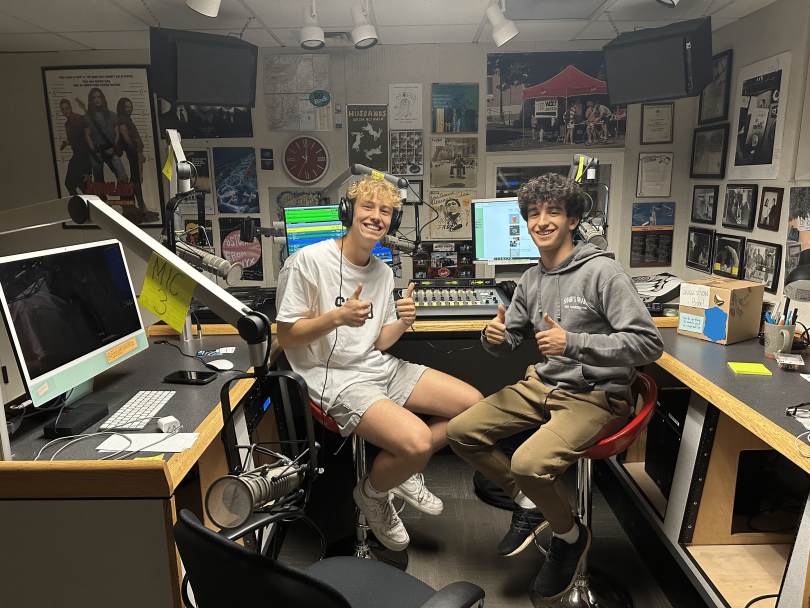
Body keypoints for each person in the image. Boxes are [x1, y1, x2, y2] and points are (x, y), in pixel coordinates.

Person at [446, 173, 664, 603]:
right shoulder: (531, 278)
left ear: (572, 220)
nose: (541, 221)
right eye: (533, 214)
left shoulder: (603, 271)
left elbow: (649, 344)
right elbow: (509, 341)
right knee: (460, 431)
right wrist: (494, 340)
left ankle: (568, 537)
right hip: (543, 383)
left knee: (528, 462)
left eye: (552, 213)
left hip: (596, 394)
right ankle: (529, 505)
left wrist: (574, 343)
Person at [276, 176, 483, 552]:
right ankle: (373, 493)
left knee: (473, 407)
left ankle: (396, 475)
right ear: (348, 211)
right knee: (418, 444)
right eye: (367, 206)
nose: (375, 216)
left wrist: (403, 321)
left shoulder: (383, 270)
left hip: (376, 365)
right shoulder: (308, 261)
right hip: (333, 378)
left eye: (385, 211)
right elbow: (286, 336)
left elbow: (379, 341)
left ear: (393, 221)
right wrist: (337, 317)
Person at [82, 87, 128, 184]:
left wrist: (113, 148)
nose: (97, 99)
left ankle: (124, 198)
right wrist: (94, 152)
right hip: (97, 150)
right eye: (94, 97)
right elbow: (87, 136)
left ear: (102, 98)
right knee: (99, 183)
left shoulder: (112, 115)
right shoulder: (87, 117)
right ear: (91, 100)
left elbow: (117, 133)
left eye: (99, 97)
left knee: (123, 178)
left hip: (111, 149)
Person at [116, 98, 147, 212]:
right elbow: (126, 137)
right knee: (136, 180)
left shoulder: (126, 119)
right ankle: (139, 207)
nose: (129, 109)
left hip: (135, 154)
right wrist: (136, 151)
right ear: (122, 108)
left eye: (130, 107)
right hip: (133, 154)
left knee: (137, 179)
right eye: (127, 107)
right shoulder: (123, 121)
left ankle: (139, 206)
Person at [58, 98, 91, 195]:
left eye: (66, 108)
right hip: (78, 155)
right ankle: (84, 205)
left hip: (83, 156)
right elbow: (75, 137)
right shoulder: (67, 124)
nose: (65, 111)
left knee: (78, 183)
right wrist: (67, 142)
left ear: (70, 108)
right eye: (63, 109)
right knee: (75, 183)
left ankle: (87, 205)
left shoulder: (78, 118)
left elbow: (83, 132)